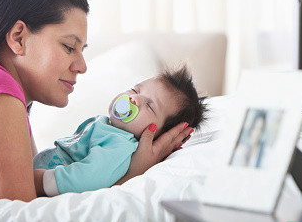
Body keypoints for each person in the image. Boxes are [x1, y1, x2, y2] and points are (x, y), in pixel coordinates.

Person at [0, 0, 193, 201]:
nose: (82, 66)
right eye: (69, 47)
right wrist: (129, 178)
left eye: (82, 50)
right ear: (19, 37)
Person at [33, 67, 208, 196]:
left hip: (41, 184)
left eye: (149, 105)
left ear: (157, 136)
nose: (134, 98)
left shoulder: (120, 145)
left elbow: (88, 177)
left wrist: (38, 181)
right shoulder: (108, 128)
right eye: (135, 90)